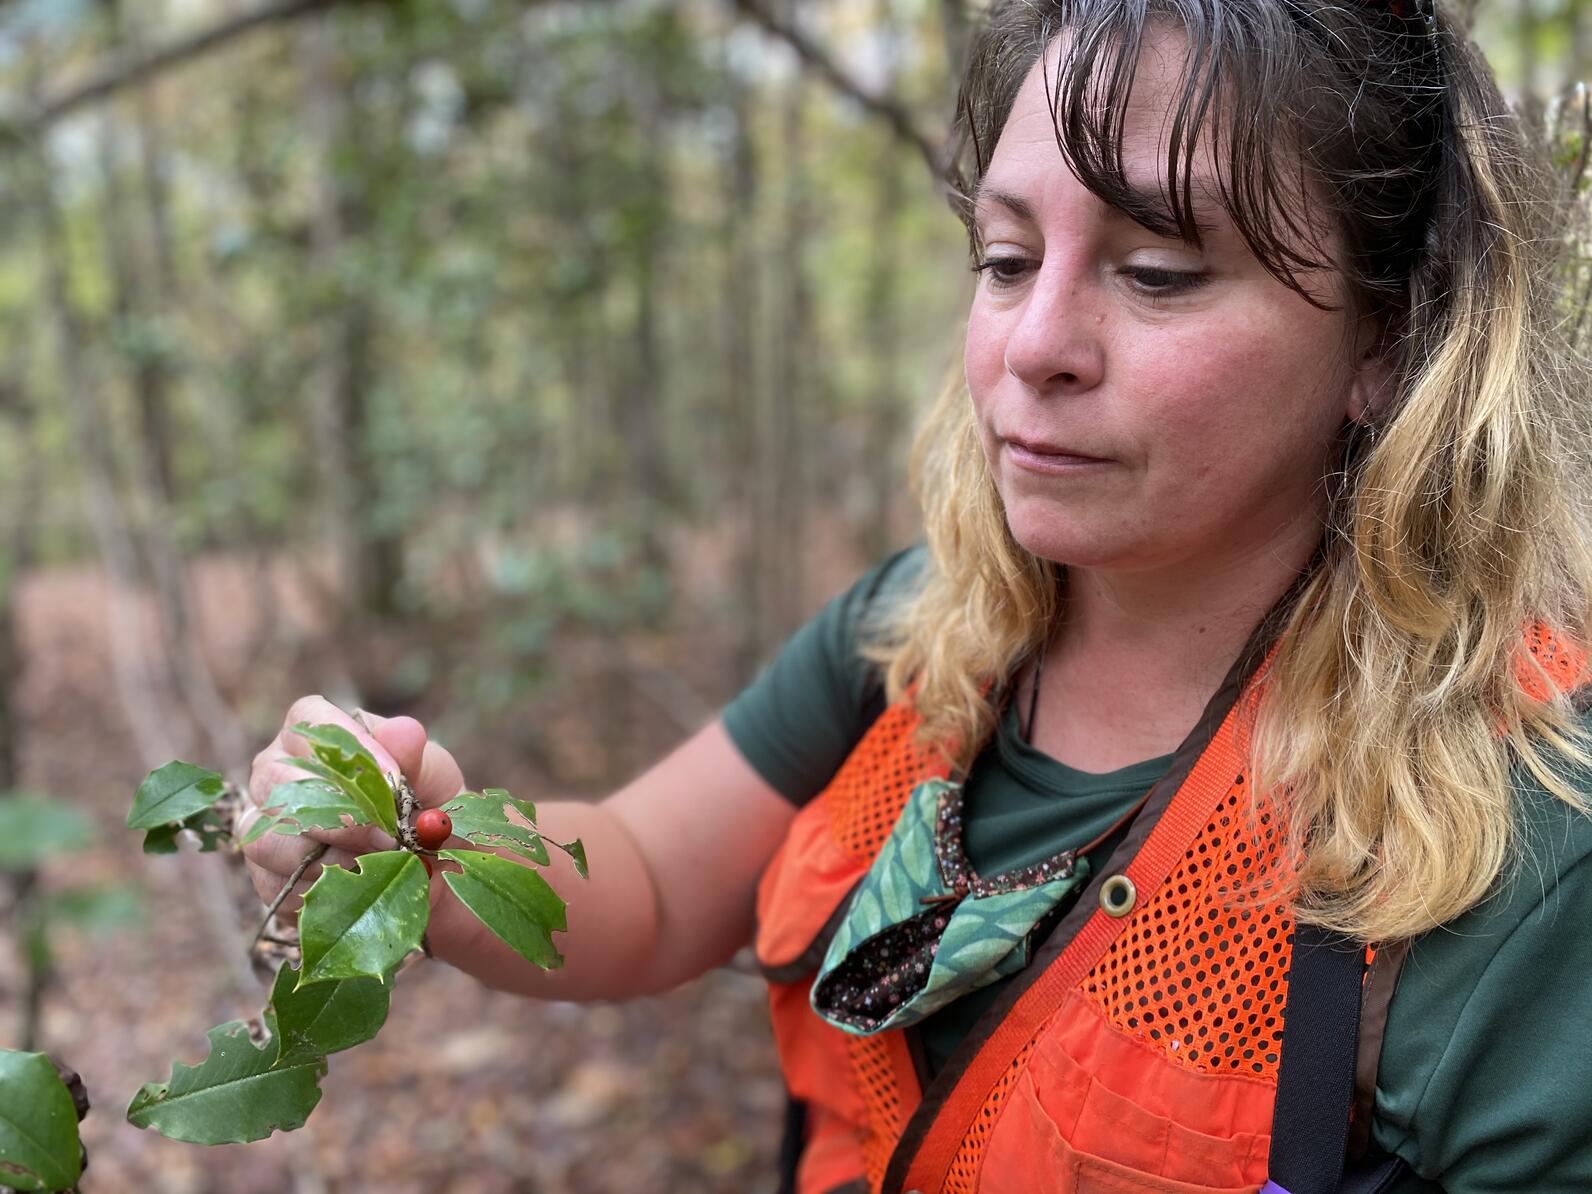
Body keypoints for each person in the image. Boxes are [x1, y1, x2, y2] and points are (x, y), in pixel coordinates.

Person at [241, 1, 1592, 1190]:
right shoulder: (925, 627)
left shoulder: (1519, 821)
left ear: (1386, 338)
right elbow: (649, 881)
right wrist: (434, 857)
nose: (1036, 345)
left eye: (1159, 270)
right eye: (1006, 259)